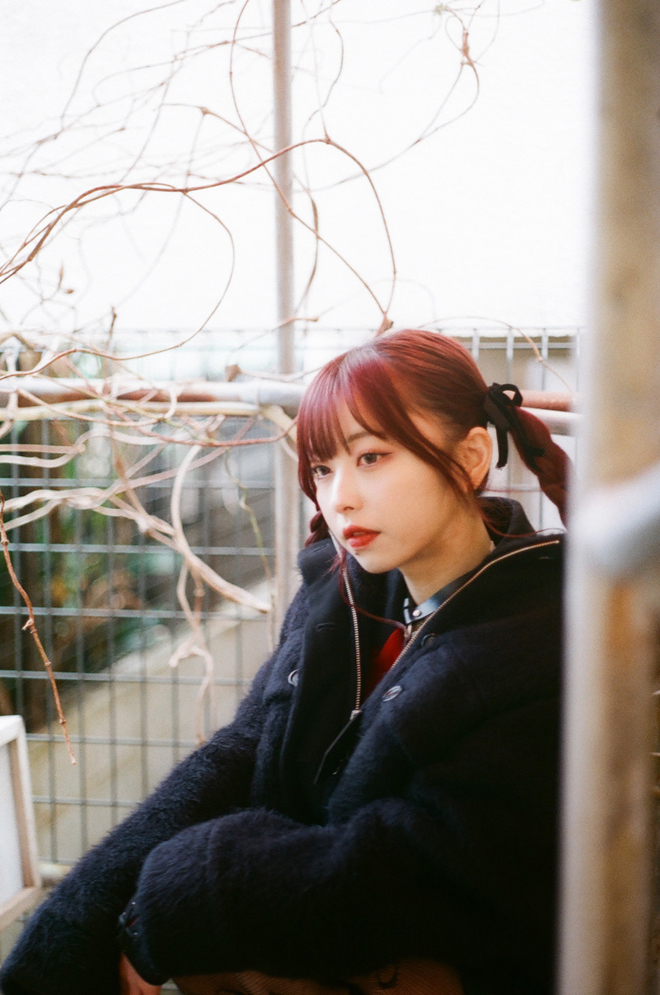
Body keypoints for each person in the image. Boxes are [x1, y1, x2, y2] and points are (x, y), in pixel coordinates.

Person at [0, 330, 569, 995]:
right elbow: (246, 748)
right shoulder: (343, 594)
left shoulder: (538, 634)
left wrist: (193, 888)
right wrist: (79, 919)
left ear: (469, 457)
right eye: (323, 468)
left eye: (372, 456)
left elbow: (419, 868)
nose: (339, 497)